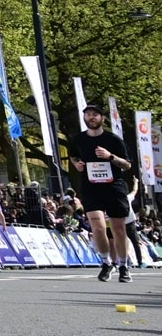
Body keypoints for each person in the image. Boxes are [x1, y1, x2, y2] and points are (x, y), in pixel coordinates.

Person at [68, 102, 136, 283]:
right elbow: (73, 155)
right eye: (88, 114)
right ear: (84, 118)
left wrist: (110, 156)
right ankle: (106, 263)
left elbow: (127, 165)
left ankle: (123, 265)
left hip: (114, 187)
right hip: (91, 187)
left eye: (95, 114)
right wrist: (77, 164)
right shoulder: (77, 140)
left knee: (119, 229)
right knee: (97, 227)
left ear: (102, 119)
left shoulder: (113, 140)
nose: (91, 117)